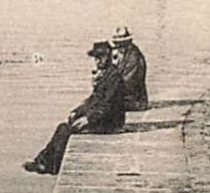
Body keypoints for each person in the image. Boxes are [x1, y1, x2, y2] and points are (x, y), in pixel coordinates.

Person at [23, 42, 125, 175]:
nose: (97, 61)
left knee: (65, 130)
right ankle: (44, 161)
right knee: (64, 126)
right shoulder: (107, 75)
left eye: (101, 57)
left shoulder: (114, 78)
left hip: (111, 123)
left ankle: (52, 166)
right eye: (96, 58)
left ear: (109, 56)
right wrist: (78, 111)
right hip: (103, 118)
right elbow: (93, 100)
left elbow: (107, 106)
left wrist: (88, 119)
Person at [110, 26, 149, 111]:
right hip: (125, 96)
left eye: (120, 44)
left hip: (135, 101)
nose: (117, 46)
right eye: (116, 43)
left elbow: (129, 82)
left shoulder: (134, 57)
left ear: (127, 43)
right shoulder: (121, 54)